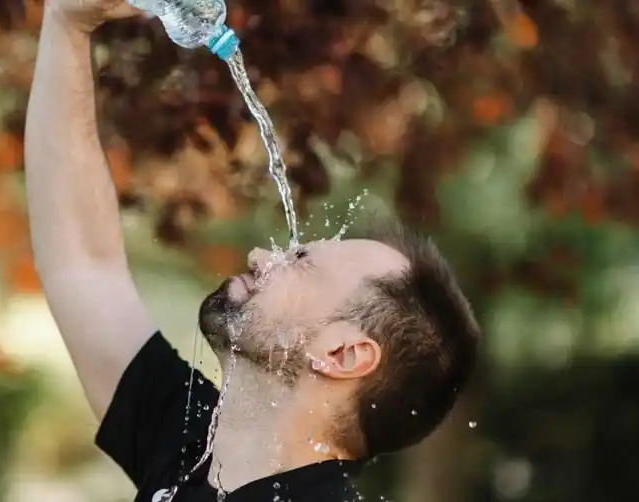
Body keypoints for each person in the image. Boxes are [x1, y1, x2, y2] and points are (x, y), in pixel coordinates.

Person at [24, 1, 481, 500]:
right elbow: (83, 266)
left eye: (301, 262)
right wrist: (68, 23)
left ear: (343, 353)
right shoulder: (192, 446)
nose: (262, 257)